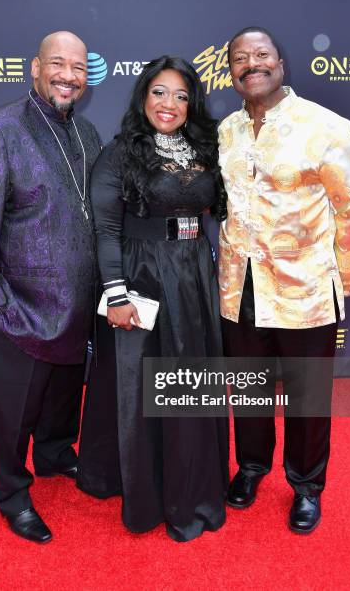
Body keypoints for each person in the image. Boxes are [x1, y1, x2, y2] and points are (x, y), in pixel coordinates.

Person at [0, 31, 102, 543]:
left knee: (60, 408)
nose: (68, 75)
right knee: (11, 423)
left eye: (78, 67)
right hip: (19, 316)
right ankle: (12, 495)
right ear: (34, 68)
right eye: (57, 63)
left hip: (76, 313)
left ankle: (56, 456)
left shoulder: (88, 136)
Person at [219, 26, 350, 533]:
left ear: (280, 63)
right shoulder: (226, 131)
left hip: (304, 289)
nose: (251, 64)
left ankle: (307, 485)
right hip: (240, 287)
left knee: (308, 397)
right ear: (231, 72)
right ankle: (251, 467)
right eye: (240, 58)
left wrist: (336, 280)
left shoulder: (325, 126)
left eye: (261, 54)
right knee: (249, 390)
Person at [84, 56, 229, 542]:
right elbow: (105, 228)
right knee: (144, 386)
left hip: (192, 273)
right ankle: (150, 493)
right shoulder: (122, 151)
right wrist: (116, 293)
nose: (170, 104)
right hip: (143, 273)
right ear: (143, 97)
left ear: (193, 103)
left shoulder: (204, 146)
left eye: (182, 95)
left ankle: (193, 486)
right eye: (160, 93)